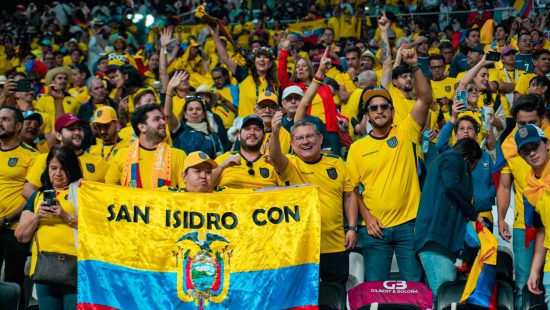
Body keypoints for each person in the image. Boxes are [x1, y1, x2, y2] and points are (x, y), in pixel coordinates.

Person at [346, 47, 433, 282]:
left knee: (413, 289)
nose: (379, 111)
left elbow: (425, 98)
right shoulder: (357, 148)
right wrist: (366, 218)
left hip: (409, 226)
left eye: (384, 106)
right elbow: (353, 189)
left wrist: (414, 65)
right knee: (375, 290)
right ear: (367, 115)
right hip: (375, 230)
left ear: (393, 112)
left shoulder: (406, 131)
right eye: (373, 108)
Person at [270, 106, 358, 286]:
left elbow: (349, 195)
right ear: (293, 144)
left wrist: (352, 227)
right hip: (301, 248)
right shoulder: (290, 164)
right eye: (299, 138)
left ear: (320, 138)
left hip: (335, 244)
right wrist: (275, 131)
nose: (305, 141)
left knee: (335, 296)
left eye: (310, 136)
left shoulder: (337, 163)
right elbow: (275, 155)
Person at [497, 94, 550, 310]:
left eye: (532, 123)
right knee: (524, 283)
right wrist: (501, 218)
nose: (525, 128)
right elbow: (504, 185)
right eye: (521, 124)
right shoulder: (509, 145)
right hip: (527, 224)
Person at [415, 138, 483, 299]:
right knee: (444, 295)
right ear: (471, 158)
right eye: (475, 165)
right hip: (436, 239)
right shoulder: (453, 158)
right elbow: (451, 185)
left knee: (446, 294)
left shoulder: (447, 160)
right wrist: (474, 214)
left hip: (442, 239)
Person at [15, 145, 81, 310]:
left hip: (76, 269)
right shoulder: (38, 197)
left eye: (63, 169)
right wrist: (37, 216)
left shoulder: (83, 192)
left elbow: (96, 227)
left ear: (71, 169)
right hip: (45, 270)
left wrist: (65, 216)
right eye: (53, 168)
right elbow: (21, 236)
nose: (57, 174)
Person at [0, 106, 38, 310]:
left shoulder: (31, 155)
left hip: (14, 229)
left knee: (14, 281)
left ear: (18, 126)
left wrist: (7, 218)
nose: (0, 122)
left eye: (5, 119)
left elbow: (31, 197)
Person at [23, 113, 109, 199]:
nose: (77, 133)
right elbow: (28, 190)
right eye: (71, 129)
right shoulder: (45, 159)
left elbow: (110, 192)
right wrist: (48, 205)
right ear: (59, 136)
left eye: (79, 129)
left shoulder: (99, 162)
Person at [106, 104, 186, 189]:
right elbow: (110, 191)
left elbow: (186, 192)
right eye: (156, 119)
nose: (163, 122)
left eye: (162, 119)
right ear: (142, 127)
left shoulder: (179, 155)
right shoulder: (121, 155)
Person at [211, 24, 279, 118]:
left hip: (267, 126)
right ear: (254, 61)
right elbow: (225, 58)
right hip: (245, 126)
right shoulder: (244, 74)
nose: (262, 60)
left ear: (271, 63)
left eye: (266, 57)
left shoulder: (275, 82)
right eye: (258, 57)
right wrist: (215, 35)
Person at [519, 125, 550, 308]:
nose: (532, 153)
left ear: (546, 144)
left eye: (535, 146)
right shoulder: (530, 188)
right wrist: (534, 270)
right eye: (526, 150)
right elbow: (541, 231)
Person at [165, 72, 223, 159]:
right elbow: (168, 114)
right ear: (185, 115)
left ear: (204, 114)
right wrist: (169, 89)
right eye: (190, 109)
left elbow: (219, 162)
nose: (194, 112)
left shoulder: (213, 137)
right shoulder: (179, 130)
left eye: (198, 109)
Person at [213, 115, 279, 189]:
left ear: (264, 137)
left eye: (257, 129)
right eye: (247, 129)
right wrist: (222, 166)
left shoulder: (272, 162)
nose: (252, 132)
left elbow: (287, 189)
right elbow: (205, 187)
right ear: (238, 135)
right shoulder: (223, 159)